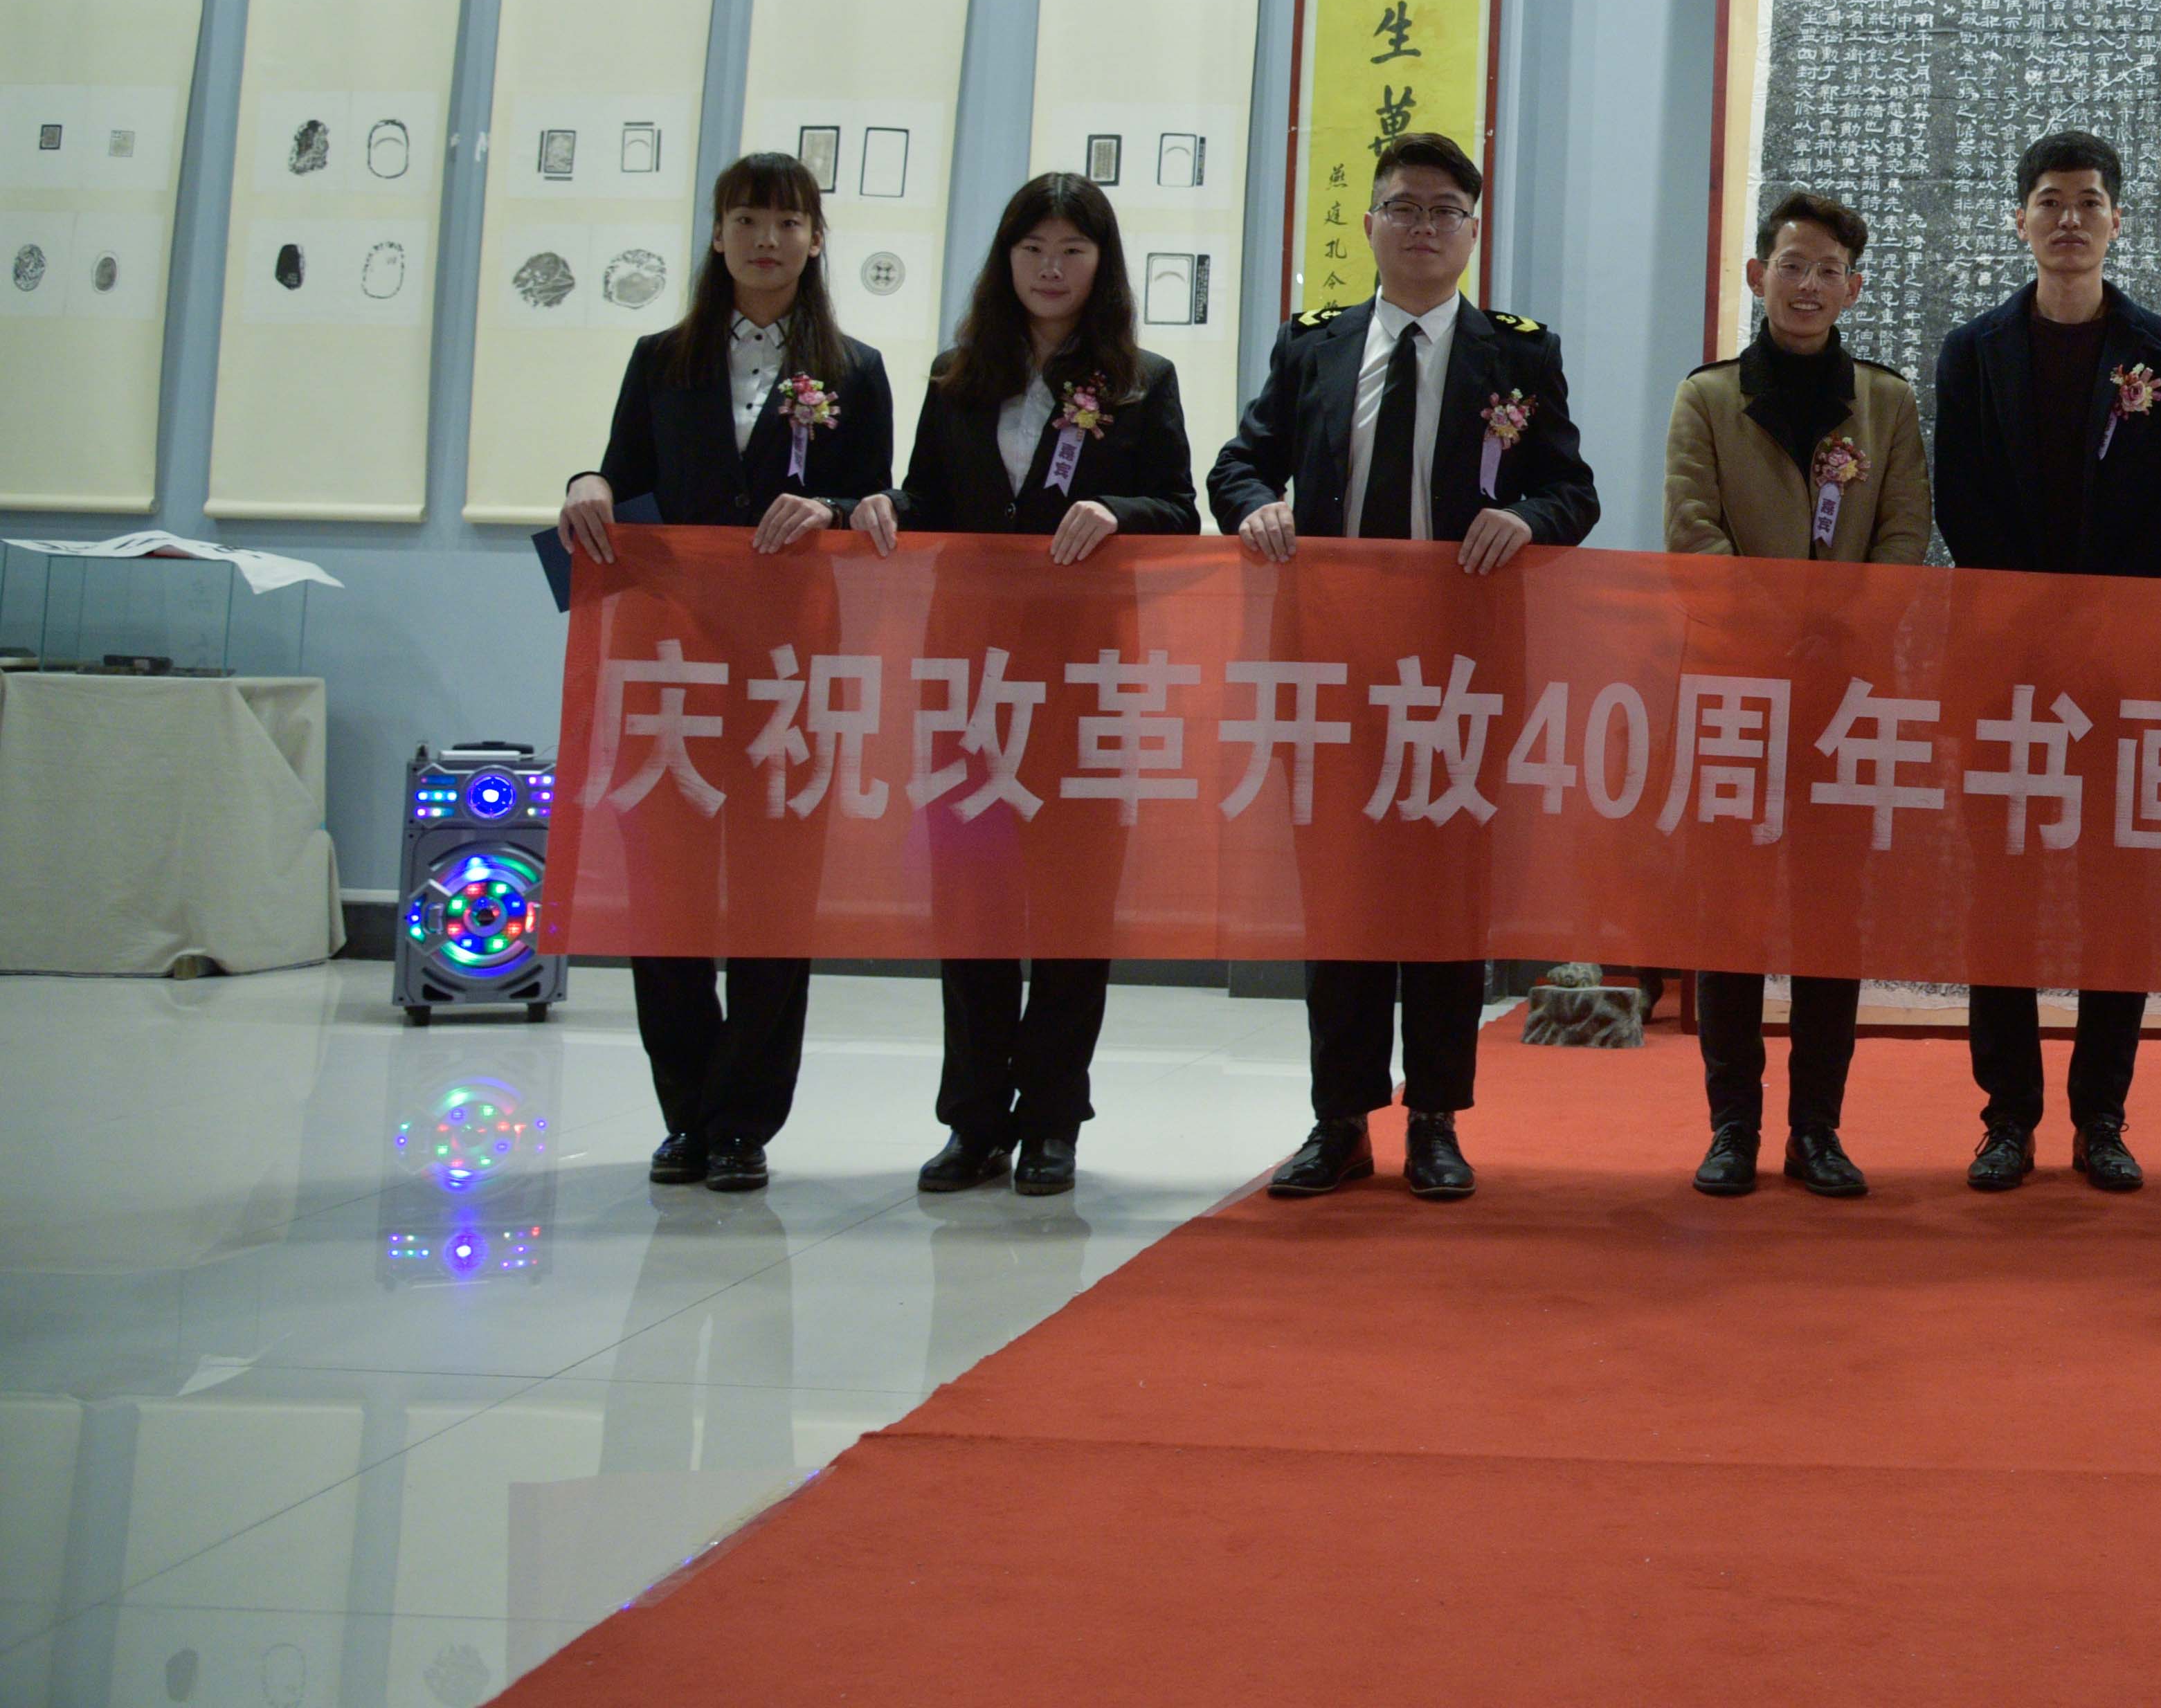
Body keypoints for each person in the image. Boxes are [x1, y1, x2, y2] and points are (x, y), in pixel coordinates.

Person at [1209, 130, 1596, 1206]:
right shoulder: (1315, 347)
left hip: (1459, 672)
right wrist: (1258, 506)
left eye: (1444, 212)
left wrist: (1527, 518)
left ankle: (1435, 1119)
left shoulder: (1518, 355)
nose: (1424, 228)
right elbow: (1238, 464)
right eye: (1404, 208)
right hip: (1330, 667)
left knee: (1442, 896)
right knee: (1339, 893)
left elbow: (1574, 490)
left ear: (1472, 232)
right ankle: (1339, 1120)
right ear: (1370, 223)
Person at [857, 172, 1198, 1201]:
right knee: (971, 898)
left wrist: (1119, 512)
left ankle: (1051, 1117)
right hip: (967, 674)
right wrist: (879, 505)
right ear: (1006, 261)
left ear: (1102, 266)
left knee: (1070, 900)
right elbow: (927, 495)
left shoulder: (1141, 380)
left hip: (1085, 677)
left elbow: (1180, 510)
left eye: (1073, 251)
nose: (1052, 269)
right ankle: (972, 1122)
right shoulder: (959, 374)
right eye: (1033, 250)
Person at [561, 151, 894, 1195]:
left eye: (788, 222)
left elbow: (882, 500)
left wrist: (832, 510)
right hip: (671, 663)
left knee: (772, 891)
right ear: (716, 235)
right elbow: (624, 473)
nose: (766, 239)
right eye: (747, 219)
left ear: (816, 240)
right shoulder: (662, 359)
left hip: (791, 668)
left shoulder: (856, 369)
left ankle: (745, 1119)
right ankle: (686, 1111)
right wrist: (587, 481)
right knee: (664, 891)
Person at [1931, 128, 2161, 1196]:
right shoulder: (1972, 351)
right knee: (1999, 890)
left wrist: (2093, 619)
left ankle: (2102, 1116)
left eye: (2090, 202)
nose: (2069, 220)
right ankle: (2007, 1117)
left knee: (2116, 891)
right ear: (2021, 221)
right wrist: (2031, 619)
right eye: (2050, 201)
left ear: (2116, 222)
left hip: (2123, 664)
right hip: (2000, 660)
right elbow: (1962, 500)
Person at [1665, 190, 1932, 1201]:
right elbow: (1693, 531)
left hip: (1846, 695)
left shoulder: (1887, 403)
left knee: (1831, 914)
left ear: (1853, 289)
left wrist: (1842, 632)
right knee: (1728, 912)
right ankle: (1732, 1126)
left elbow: (1904, 534)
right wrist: (1776, 629)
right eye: (1791, 265)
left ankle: (1817, 1128)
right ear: (1757, 276)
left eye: (1827, 270)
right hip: (1735, 687)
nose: (1808, 285)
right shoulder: (1707, 398)